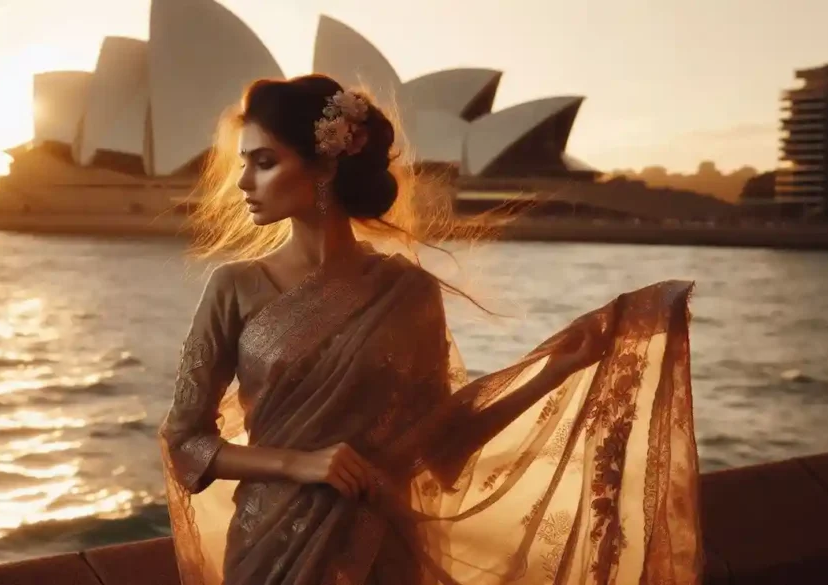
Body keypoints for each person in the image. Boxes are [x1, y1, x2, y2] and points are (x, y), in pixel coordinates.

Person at [159, 74, 702, 585]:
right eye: (244, 163)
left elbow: (441, 447)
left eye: (263, 161)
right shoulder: (233, 287)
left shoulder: (407, 293)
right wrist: (298, 464)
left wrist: (551, 372)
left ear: (324, 165)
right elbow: (185, 441)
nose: (243, 182)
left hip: (380, 547)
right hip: (270, 551)